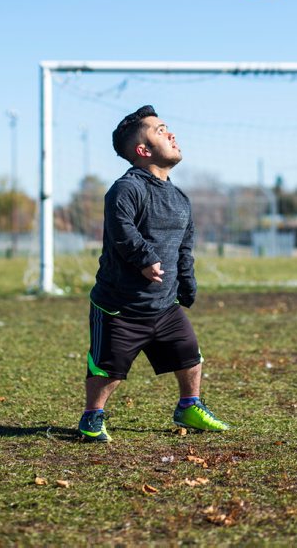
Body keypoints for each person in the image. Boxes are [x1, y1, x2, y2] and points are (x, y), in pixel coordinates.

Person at [78, 105, 229, 442]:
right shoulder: (127, 189)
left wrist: (187, 282)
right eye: (160, 130)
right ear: (143, 150)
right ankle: (92, 417)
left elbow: (184, 246)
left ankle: (189, 406)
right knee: (109, 369)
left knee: (189, 354)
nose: (171, 134)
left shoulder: (179, 197)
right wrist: (144, 257)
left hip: (164, 304)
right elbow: (122, 230)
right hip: (121, 306)